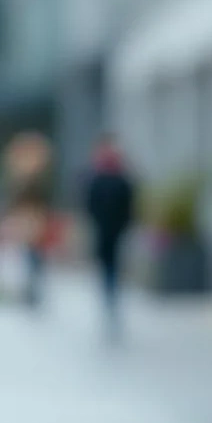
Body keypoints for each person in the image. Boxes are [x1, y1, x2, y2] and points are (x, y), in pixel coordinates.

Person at [82, 134, 137, 340]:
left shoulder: (117, 177)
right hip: (105, 229)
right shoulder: (100, 177)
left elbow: (128, 205)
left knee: (111, 266)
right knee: (107, 265)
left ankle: (111, 296)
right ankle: (109, 297)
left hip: (114, 230)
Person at [1, 131, 56, 309]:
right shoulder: (20, 178)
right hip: (26, 219)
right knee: (29, 255)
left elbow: (44, 199)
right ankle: (31, 289)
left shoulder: (39, 178)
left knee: (35, 255)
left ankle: (34, 289)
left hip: (36, 219)